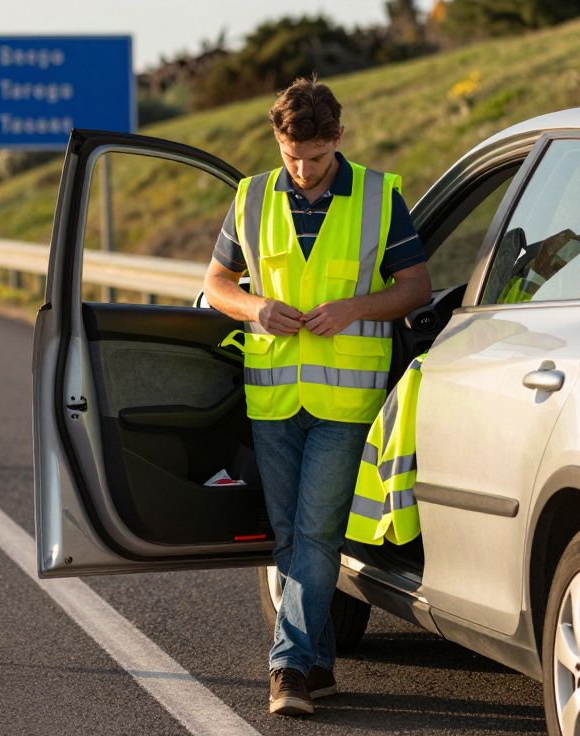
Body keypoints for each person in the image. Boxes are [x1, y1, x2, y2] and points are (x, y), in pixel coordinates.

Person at [204, 76, 431, 716]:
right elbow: (217, 282)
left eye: (315, 156)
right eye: (290, 156)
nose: (302, 170)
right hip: (272, 396)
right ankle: (320, 662)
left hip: (347, 402)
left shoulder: (381, 197)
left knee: (317, 530)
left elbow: (416, 285)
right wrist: (256, 306)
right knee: (289, 535)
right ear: (278, 142)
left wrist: (358, 307)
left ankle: (288, 669)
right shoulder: (250, 197)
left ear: (338, 138)